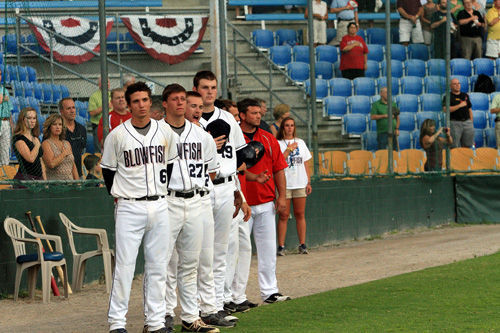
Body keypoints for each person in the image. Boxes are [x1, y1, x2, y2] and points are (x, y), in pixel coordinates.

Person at [100, 82, 178, 333]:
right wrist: (123, 194)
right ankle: (117, 323)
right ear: (129, 105)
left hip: (159, 204)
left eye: (145, 100)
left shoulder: (165, 131)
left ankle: (155, 322)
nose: (142, 105)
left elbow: (170, 166)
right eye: (136, 101)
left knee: (158, 267)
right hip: (129, 207)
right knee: (124, 267)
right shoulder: (117, 135)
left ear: (150, 101)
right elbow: (108, 173)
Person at [161, 84, 224, 333]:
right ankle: (162, 316)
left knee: (190, 263)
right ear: (165, 103)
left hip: (196, 200)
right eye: (175, 99)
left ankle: (190, 318)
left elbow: (213, 169)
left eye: (182, 99)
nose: (180, 103)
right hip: (168, 200)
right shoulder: (157, 132)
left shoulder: (202, 136)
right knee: (163, 263)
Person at [193, 70, 248, 324]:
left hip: (226, 185)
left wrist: (237, 190)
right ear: (196, 88)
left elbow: (238, 155)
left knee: (221, 249)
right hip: (202, 187)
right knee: (198, 250)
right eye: (205, 87)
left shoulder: (227, 117)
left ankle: (215, 306)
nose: (210, 92)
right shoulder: (190, 120)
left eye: (213, 87)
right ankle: (195, 309)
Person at [237, 97, 291, 304]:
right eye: (253, 113)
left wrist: (282, 197)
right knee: (240, 253)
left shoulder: (268, 138)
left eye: (259, 113)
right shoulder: (235, 137)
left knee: (268, 249)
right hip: (242, 204)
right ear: (242, 115)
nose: (258, 116)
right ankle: (236, 296)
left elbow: (279, 169)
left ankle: (270, 291)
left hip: (266, 201)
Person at [276, 117, 312, 256]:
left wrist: (308, 182)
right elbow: (278, 162)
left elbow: (305, 163)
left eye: (292, 125)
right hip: (284, 184)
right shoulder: (278, 143)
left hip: (299, 182)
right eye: (287, 125)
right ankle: (281, 246)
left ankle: (302, 244)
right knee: (284, 215)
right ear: (283, 127)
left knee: (300, 213)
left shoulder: (301, 143)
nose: (289, 128)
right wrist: (288, 150)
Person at [42, 114, 79, 180]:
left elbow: (73, 166)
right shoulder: (46, 143)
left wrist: (78, 182)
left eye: (60, 124)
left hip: (70, 183)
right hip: (55, 185)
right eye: (54, 124)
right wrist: (64, 154)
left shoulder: (67, 143)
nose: (57, 127)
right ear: (49, 127)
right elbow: (51, 164)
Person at [12, 107, 45, 181]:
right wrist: (37, 145)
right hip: (25, 179)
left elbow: (40, 161)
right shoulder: (18, 138)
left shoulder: (36, 138)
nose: (32, 121)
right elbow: (30, 158)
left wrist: (45, 181)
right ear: (23, 119)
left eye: (34, 118)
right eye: (29, 118)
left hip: (38, 179)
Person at [59, 98, 87, 178]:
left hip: (78, 174)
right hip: (61, 176)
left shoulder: (82, 129)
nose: (72, 111)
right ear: (61, 111)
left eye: (73, 107)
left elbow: (81, 150)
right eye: (68, 108)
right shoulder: (56, 130)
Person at [444, 78, 474, 148]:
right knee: (454, 146)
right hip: (455, 123)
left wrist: (471, 122)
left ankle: (466, 159)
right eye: (455, 84)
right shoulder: (448, 96)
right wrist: (459, 106)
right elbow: (445, 109)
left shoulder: (465, 95)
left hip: (467, 122)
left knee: (468, 146)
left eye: (458, 83)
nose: (457, 85)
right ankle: (454, 159)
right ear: (450, 86)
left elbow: (470, 110)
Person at [88, 76, 110, 153]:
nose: (108, 84)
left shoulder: (112, 95)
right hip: (98, 126)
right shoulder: (94, 96)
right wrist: (105, 106)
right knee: (99, 150)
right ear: (100, 85)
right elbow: (92, 113)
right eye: (105, 82)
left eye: (108, 82)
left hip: (111, 125)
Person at [0, 68, 13, 166]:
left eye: (0, 74)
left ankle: (5, 175)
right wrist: (2, 98)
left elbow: (9, 109)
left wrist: (11, 125)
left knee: (5, 149)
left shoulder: (4, 90)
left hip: (5, 121)